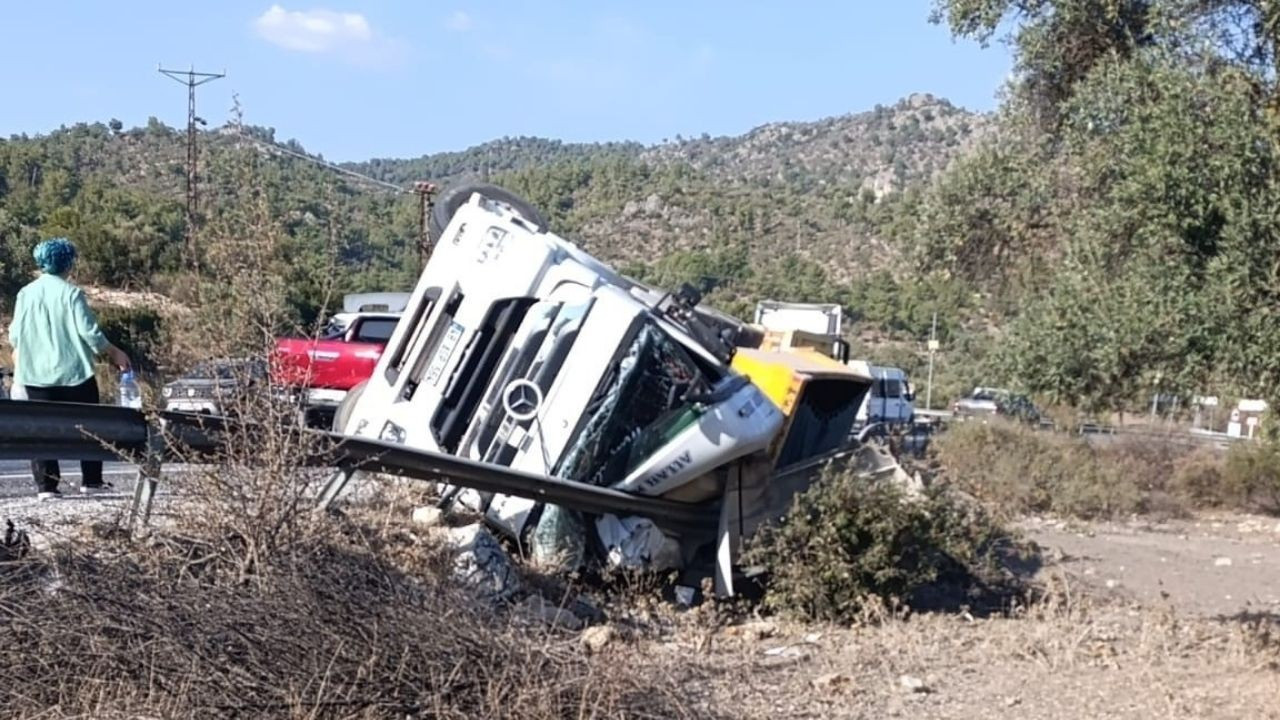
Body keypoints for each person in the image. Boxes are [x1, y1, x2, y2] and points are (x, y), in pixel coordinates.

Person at [7, 238, 130, 500]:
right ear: (67, 262)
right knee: (89, 426)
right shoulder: (72, 293)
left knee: (40, 430)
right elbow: (91, 334)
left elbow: (14, 335)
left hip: (34, 375)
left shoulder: (25, 294)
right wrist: (115, 352)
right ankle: (92, 480)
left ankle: (47, 486)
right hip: (75, 373)